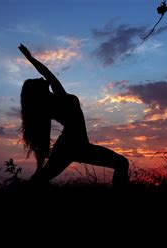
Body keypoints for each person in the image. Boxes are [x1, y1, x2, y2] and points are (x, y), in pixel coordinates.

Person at [18, 43, 129, 188]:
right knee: (121, 162)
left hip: (76, 146)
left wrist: (30, 58)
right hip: (70, 146)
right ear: (38, 92)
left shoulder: (57, 97)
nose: (41, 79)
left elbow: (46, 72)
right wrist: (29, 58)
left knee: (39, 180)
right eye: (38, 81)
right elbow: (43, 140)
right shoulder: (56, 100)